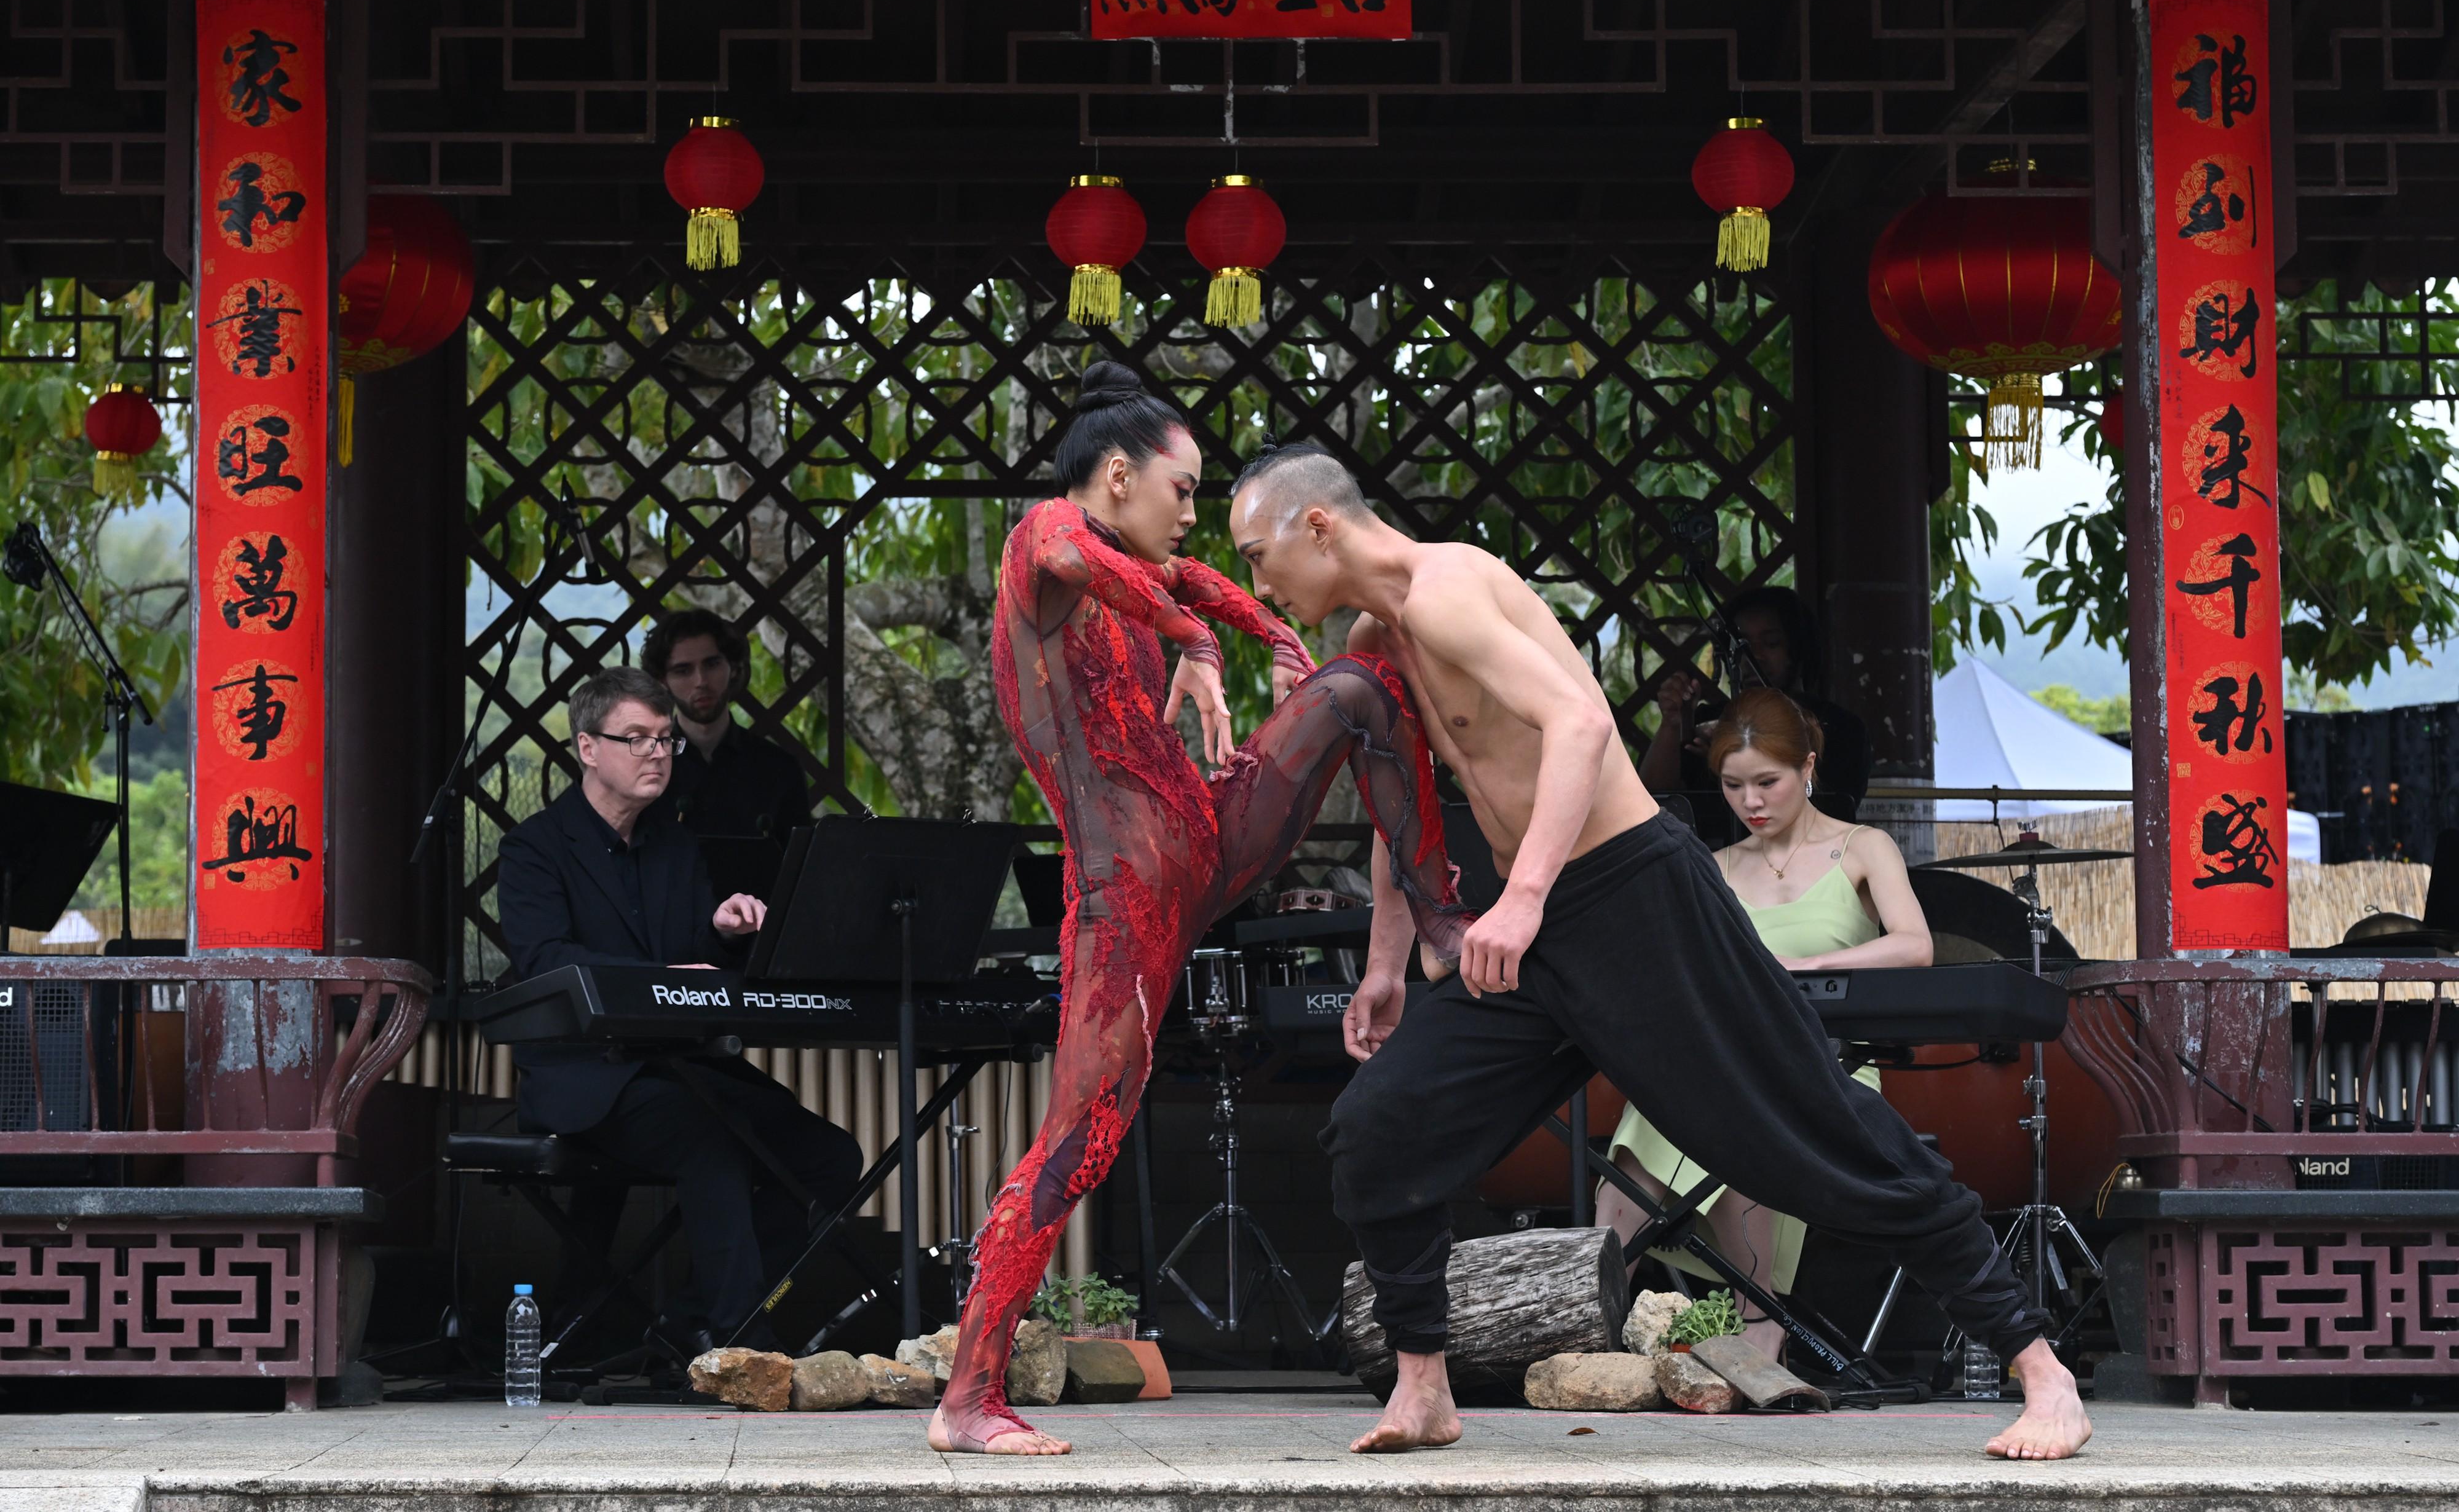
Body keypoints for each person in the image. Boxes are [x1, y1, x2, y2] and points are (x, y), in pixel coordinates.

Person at [1225, 443, 2089, 1462]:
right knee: (1380, 1127)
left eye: (1255, 552)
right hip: (1534, 928)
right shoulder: (1381, 633)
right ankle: (1424, 1387)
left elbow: (1581, 722)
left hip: (1632, 900)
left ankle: (2042, 1369)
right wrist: (1386, 958)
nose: (1256, 582)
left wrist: (1527, 896)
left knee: (1812, 1134)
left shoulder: (1448, 590)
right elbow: (1396, 798)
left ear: (1317, 525)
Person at [928, 363, 1474, 1455]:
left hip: (1208, 838)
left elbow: (1221, 593)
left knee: (1360, 692)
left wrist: (1273, 646)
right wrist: (1193, 639)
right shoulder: (1047, 538)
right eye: (1181, 488)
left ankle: (1443, 919)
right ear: (1118, 474)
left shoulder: (1154, 566)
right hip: (1127, 893)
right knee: (1081, 1136)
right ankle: (967, 1399)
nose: (1192, 510)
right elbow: (1121, 577)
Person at [495, 666, 861, 1352]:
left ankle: (692, 1316)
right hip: (589, 1077)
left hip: (682, 1066)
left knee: (831, 1157)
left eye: (666, 740)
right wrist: (666, 971)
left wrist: (722, 930)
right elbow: (547, 961)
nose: (657, 754)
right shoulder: (534, 849)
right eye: (637, 739)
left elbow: (698, 967)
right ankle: (743, 1342)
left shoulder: (675, 844)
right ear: (588, 748)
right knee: (710, 1139)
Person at [1598, 688, 1933, 1364]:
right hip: (1724, 1056)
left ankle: (1756, 1325)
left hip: (1825, 1060)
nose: (1751, 802)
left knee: (1746, 1115)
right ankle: (1591, 1316)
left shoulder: (1862, 848)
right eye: (1732, 786)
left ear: (1807, 768)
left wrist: (1806, 965)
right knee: (1643, 1129)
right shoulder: (1717, 867)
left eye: (1767, 782)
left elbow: (1914, 945)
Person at [1642, 586, 1872, 840]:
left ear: (1799, 648)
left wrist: (1736, 765)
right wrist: (1672, 724)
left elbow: (1830, 811)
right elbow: (1651, 804)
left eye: (1771, 643)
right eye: (1741, 646)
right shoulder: (1711, 722)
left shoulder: (1839, 728)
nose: (1753, 656)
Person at [644, 607, 812, 845]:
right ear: (663, 681)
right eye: (683, 671)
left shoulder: (779, 769)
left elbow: (801, 868)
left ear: (732, 668)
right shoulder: (642, 768)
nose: (701, 681)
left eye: (712, 664)